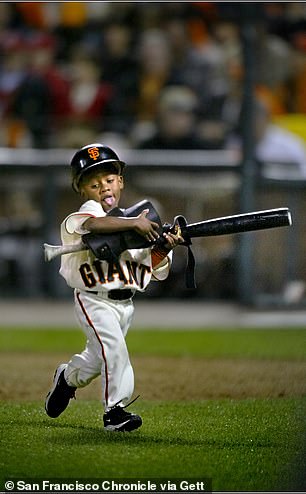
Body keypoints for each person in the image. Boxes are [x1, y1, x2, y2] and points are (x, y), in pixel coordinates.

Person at [45, 143, 182, 432]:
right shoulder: (83, 216)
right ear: (82, 190)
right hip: (93, 299)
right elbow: (95, 226)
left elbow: (149, 266)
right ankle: (115, 411)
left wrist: (163, 246)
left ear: (120, 181)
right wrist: (135, 223)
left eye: (109, 180)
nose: (104, 187)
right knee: (115, 349)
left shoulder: (134, 222)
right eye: (94, 184)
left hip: (125, 304)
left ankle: (67, 378)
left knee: (97, 360)